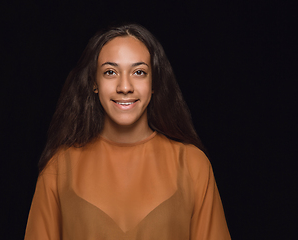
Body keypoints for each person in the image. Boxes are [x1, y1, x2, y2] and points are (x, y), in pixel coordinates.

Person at [24, 23, 231, 240]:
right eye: (110, 72)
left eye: (139, 72)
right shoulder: (58, 168)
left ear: (154, 83)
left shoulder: (192, 165)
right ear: (94, 82)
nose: (125, 87)